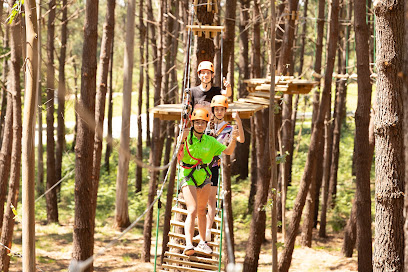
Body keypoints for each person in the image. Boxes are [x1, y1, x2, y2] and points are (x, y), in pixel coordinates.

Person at [178, 108, 239, 256]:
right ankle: (188, 244)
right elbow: (179, 157)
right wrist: (181, 140)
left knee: (201, 210)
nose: (199, 125)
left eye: (202, 123)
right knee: (192, 209)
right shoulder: (187, 136)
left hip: (205, 175)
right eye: (197, 122)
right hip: (188, 175)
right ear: (193, 123)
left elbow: (228, 152)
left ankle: (202, 242)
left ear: (206, 124)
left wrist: (234, 139)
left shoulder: (210, 141)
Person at [204, 95, 245, 241]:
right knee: (200, 198)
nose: (220, 112)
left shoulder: (229, 128)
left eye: (222, 109)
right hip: (201, 165)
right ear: (213, 110)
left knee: (211, 199)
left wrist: (238, 121)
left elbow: (241, 139)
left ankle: (208, 229)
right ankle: (203, 227)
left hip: (214, 165)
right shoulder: (207, 124)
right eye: (217, 109)